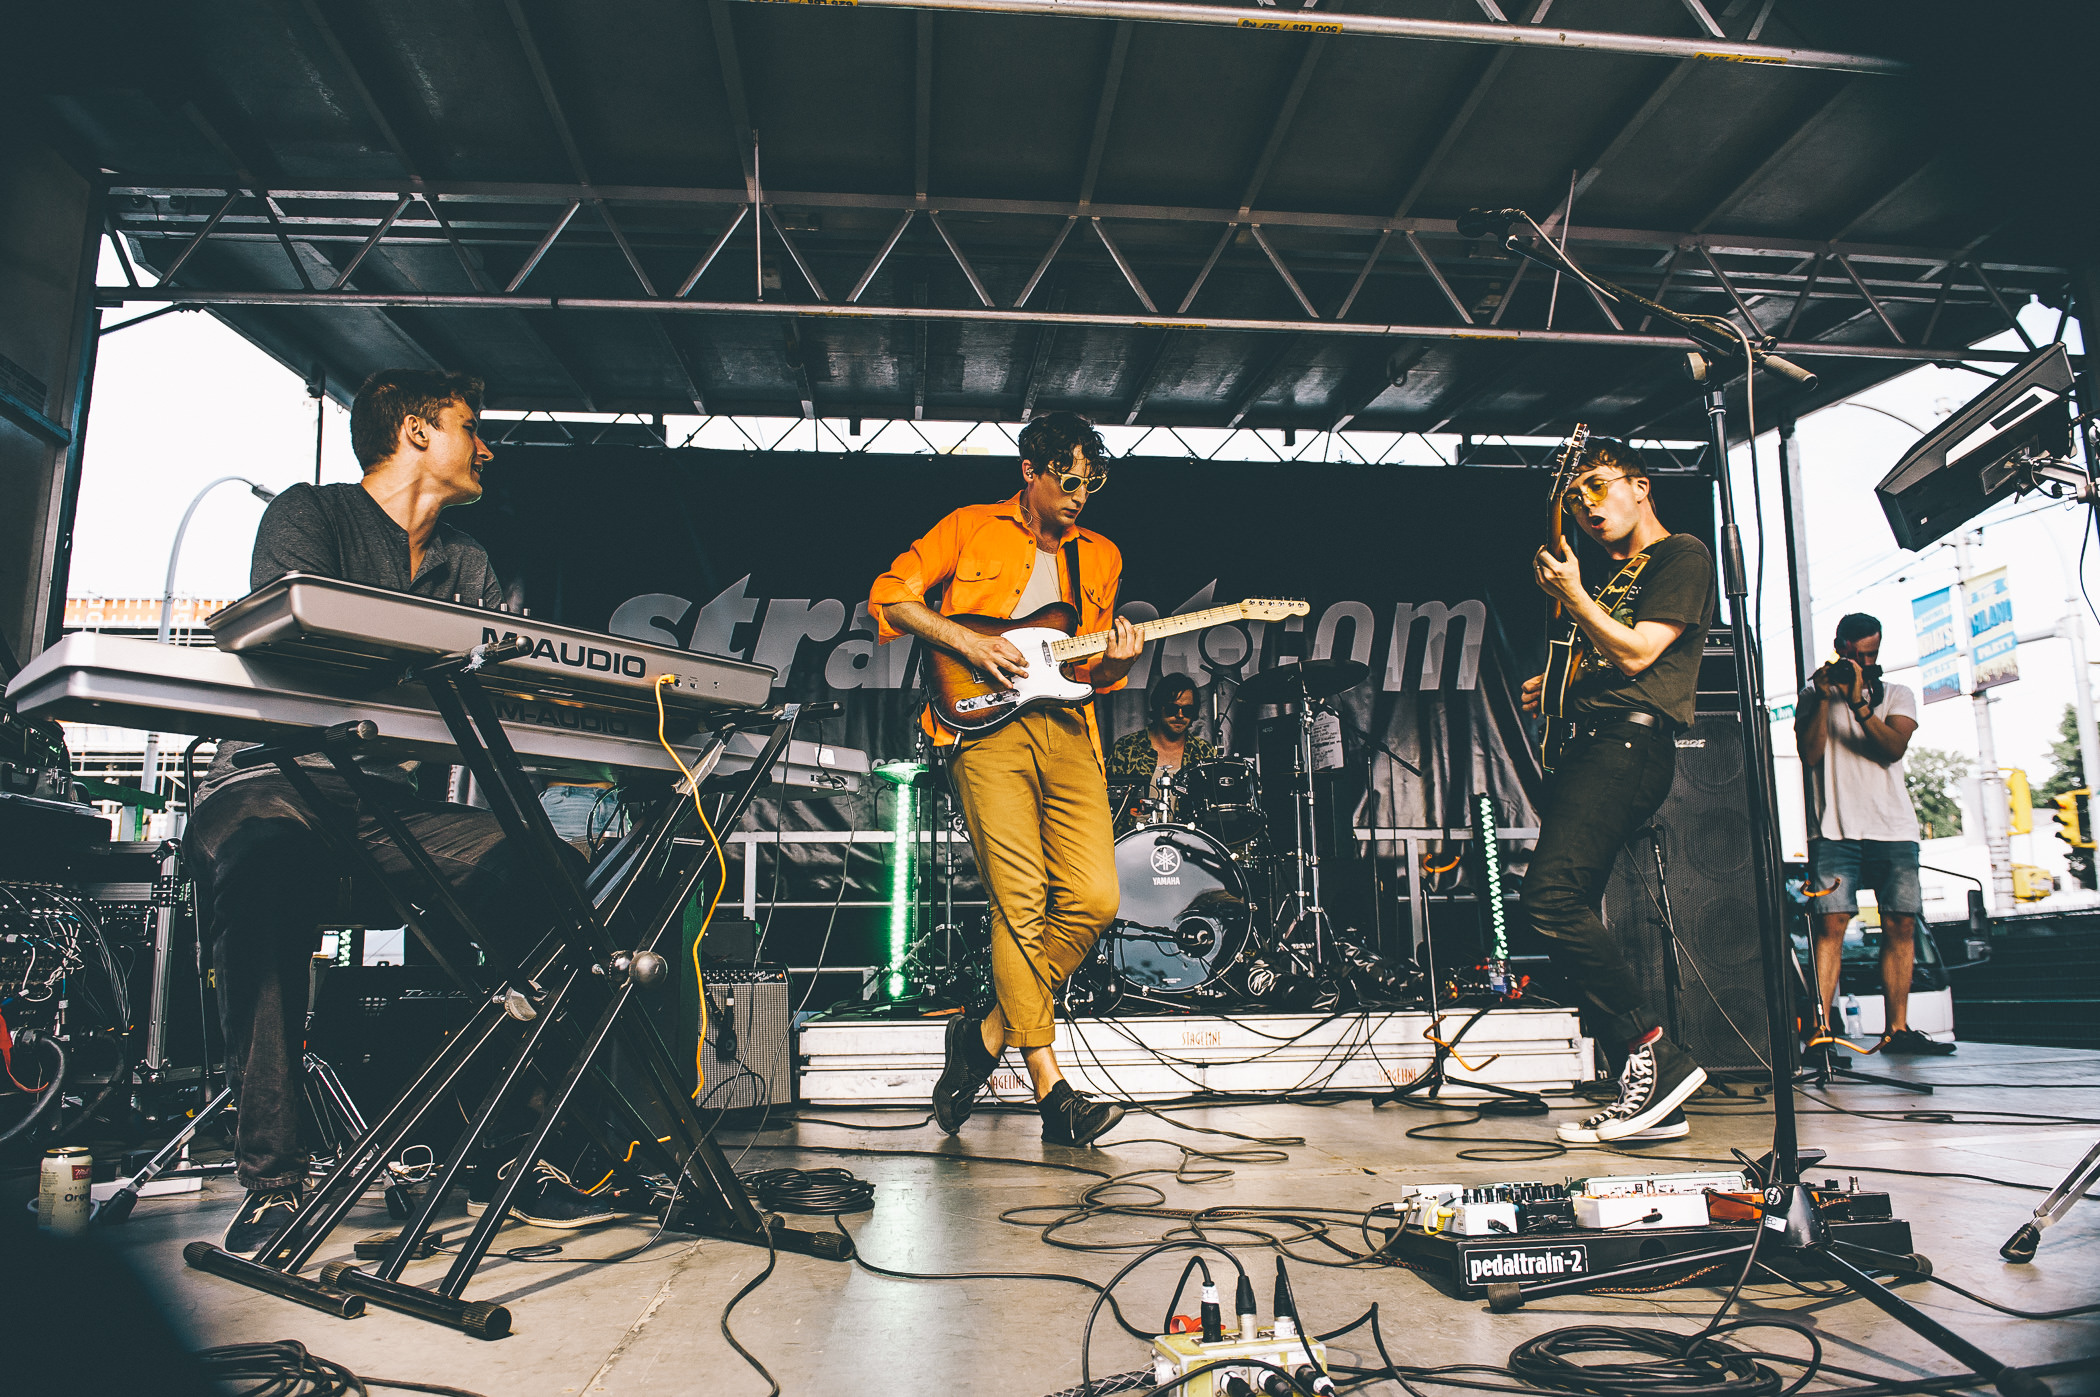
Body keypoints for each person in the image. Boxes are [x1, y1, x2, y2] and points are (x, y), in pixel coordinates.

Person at [187, 369, 612, 1252]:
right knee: (265, 861)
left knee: (550, 871)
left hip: (382, 804)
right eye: (470, 426)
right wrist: (435, 665)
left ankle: (517, 1151)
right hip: (276, 778)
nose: (486, 447)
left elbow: (503, 686)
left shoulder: (467, 561)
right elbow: (307, 649)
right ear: (417, 432)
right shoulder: (309, 515)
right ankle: (274, 1178)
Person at [870, 411, 1142, 1147]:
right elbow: (889, 596)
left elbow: (1095, 674)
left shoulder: (1102, 556)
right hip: (980, 732)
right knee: (1019, 903)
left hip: (1067, 731)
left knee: (1094, 896)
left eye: (1093, 481)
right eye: (1069, 478)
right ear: (1031, 469)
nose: (1081, 494)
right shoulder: (968, 525)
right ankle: (1053, 1092)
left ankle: (985, 1036)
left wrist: (1120, 656)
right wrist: (966, 638)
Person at [1520, 437, 1717, 1145]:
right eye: (1576, 498)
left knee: (1550, 899)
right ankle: (1656, 1095)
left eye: (1600, 486)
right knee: (1562, 906)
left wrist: (1572, 595)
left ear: (1641, 486)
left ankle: (1653, 1050)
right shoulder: (1613, 576)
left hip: (1627, 745)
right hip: (1594, 742)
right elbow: (1612, 657)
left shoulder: (1681, 554)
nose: (1588, 505)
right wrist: (1562, 685)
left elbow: (1639, 652)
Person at [1795, 613, 1954, 1056]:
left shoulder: (1898, 693)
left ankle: (1897, 1030)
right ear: (1840, 646)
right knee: (1831, 925)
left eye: (1872, 654)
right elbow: (1810, 754)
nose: (1864, 661)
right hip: (1835, 829)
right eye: (1857, 653)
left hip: (1892, 827)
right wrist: (1827, 699)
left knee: (1900, 922)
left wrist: (1860, 703)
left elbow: (1892, 748)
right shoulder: (1813, 695)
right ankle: (1821, 1030)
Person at [1106, 672, 1219, 833]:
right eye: (1173, 708)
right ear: (1159, 707)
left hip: (1189, 848)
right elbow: (1106, 806)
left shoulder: (1203, 752)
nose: (1180, 715)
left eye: (1187, 710)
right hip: (1134, 847)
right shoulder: (1126, 748)